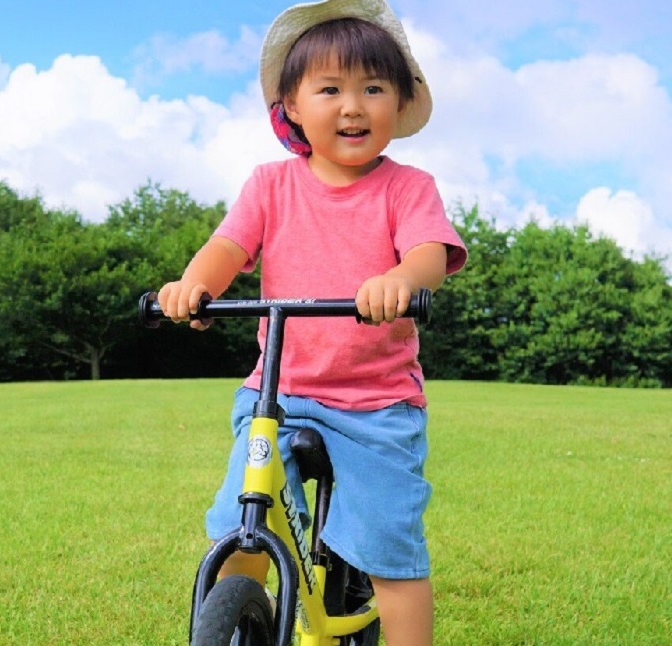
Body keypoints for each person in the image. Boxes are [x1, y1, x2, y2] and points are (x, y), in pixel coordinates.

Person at [158, 0, 466, 643]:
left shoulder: (407, 188)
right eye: (330, 89)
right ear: (293, 106)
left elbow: (430, 254)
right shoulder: (271, 185)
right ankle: (236, 615)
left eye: (373, 89)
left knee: (388, 544)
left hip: (376, 403)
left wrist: (402, 280)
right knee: (241, 523)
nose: (352, 106)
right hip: (280, 392)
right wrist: (195, 285)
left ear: (399, 102)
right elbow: (228, 247)